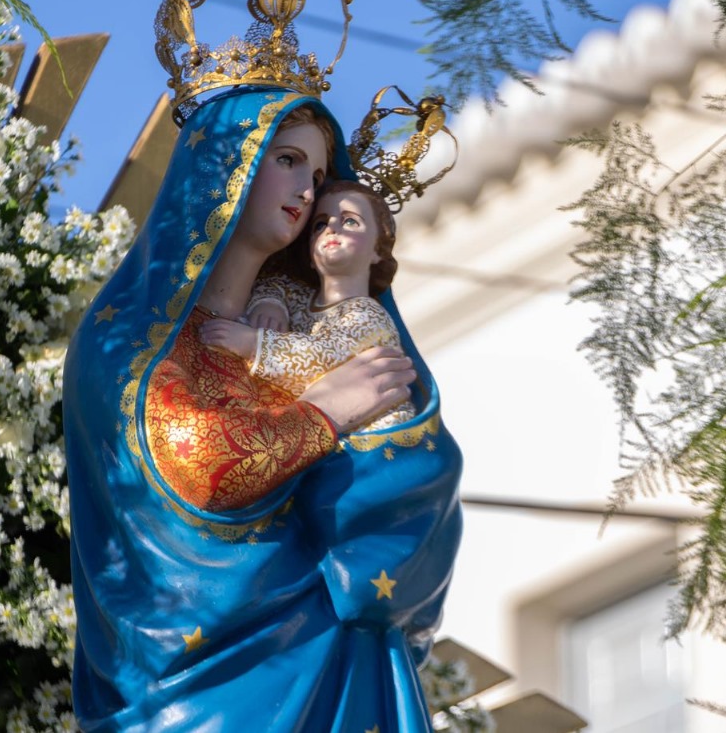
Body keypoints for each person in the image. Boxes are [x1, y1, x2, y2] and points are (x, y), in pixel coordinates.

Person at [63, 88, 463, 732]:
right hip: (194, 693)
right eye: (287, 160)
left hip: (332, 653)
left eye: (318, 174)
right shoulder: (130, 337)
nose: (307, 191)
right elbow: (199, 465)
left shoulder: (310, 335)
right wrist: (327, 412)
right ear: (225, 168)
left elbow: (423, 463)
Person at [199, 179, 417, 431]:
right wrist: (270, 304)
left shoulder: (368, 315)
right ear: (311, 257)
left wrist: (254, 344)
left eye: (350, 221)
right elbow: (277, 284)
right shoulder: (302, 296)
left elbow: (323, 356)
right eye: (320, 224)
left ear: (377, 250)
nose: (332, 227)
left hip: (376, 438)